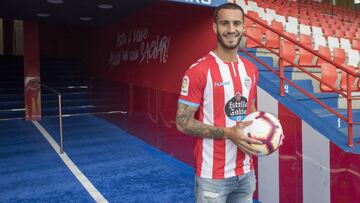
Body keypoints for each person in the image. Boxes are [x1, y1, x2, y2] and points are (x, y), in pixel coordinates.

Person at [176, 3, 262, 203]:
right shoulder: (198, 71)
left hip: (246, 173)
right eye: (224, 23)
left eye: (236, 23)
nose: (231, 30)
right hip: (212, 176)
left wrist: (266, 133)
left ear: (243, 28)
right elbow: (182, 122)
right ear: (215, 27)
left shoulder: (251, 69)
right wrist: (228, 133)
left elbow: (251, 109)